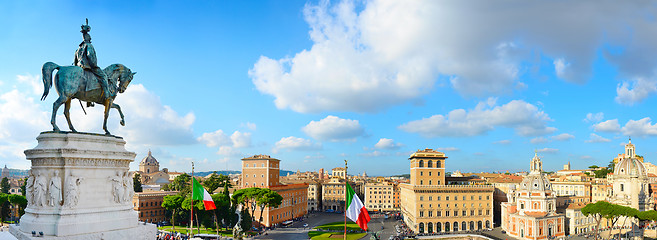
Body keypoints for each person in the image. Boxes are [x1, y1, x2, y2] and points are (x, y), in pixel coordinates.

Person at [74, 18, 112, 98]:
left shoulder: (78, 49)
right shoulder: (89, 46)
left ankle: (89, 101)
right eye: (90, 38)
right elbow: (90, 56)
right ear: (88, 38)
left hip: (79, 66)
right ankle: (107, 94)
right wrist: (94, 65)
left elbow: (75, 61)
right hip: (88, 66)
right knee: (104, 76)